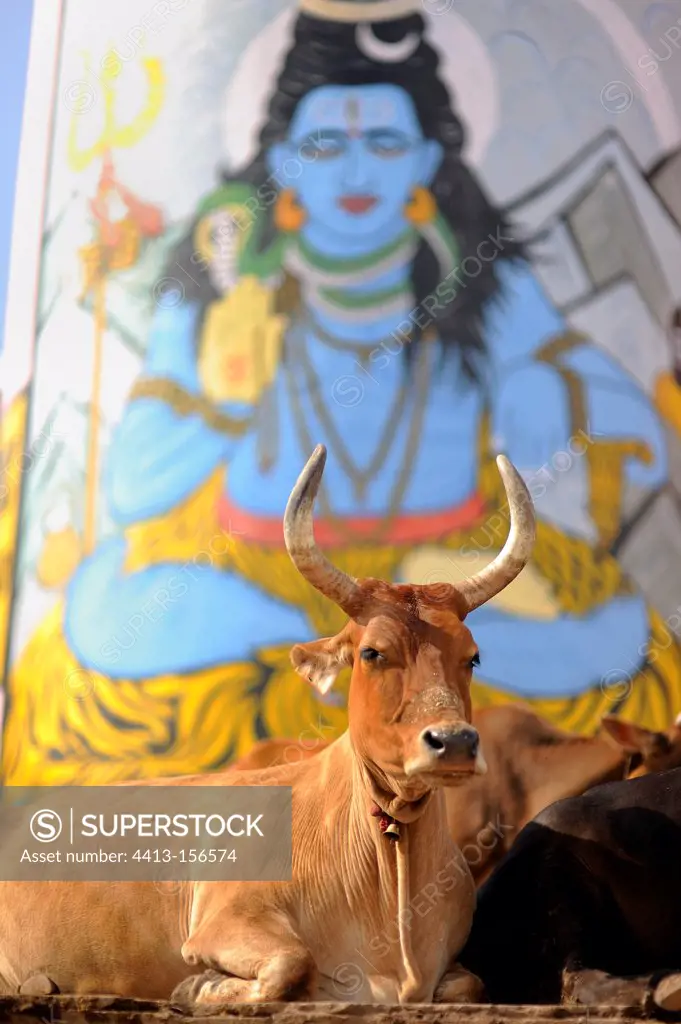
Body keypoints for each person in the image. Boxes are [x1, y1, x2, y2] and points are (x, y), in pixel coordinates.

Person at [4, 0, 676, 785]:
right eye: (325, 144)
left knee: (615, 636)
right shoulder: (218, 285)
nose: (355, 170)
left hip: (442, 582)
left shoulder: (488, 281)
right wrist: (222, 394)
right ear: (283, 159)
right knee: (97, 620)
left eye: (383, 141)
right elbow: (130, 485)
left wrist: (546, 399)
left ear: (427, 159)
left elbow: (614, 422)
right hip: (256, 572)